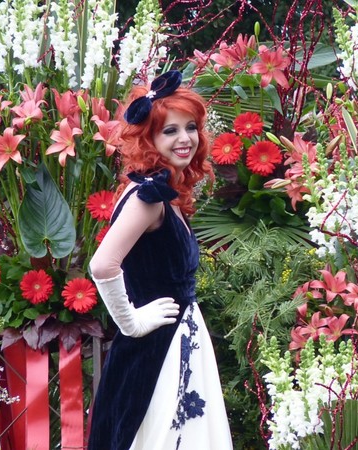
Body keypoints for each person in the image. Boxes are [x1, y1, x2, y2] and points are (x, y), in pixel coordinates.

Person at [87, 70, 233, 450]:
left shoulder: (161, 193)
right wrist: (132, 323)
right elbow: (102, 265)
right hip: (155, 351)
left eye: (190, 127)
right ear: (149, 139)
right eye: (170, 131)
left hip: (174, 343)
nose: (185, 139)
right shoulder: (146, 198)